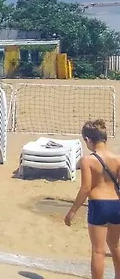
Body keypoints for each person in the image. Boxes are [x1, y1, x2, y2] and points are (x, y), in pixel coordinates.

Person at [65, 119, 120, 279]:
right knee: (115, 246)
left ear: (88, 140)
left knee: (98, 250)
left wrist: (73, 211)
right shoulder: (118, 159)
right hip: (116, 204)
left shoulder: (87, 160)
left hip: (98, 205)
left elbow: (86, 188)